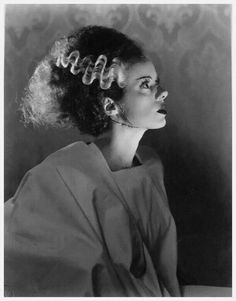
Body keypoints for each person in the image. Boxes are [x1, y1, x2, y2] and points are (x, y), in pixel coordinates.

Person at [4, 26, 231, 297]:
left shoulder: (149, 167)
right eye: (145, 85)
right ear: (110, 106)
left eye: (156, 82)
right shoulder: (60, 178)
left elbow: (158, 288)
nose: (162, 93)